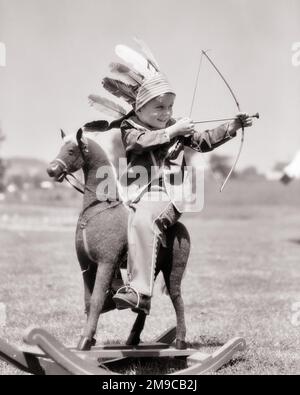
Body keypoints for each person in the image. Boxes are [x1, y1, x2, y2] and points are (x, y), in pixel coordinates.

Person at [90, 42, 253, 315]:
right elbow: (139, 144)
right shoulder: (131, 127)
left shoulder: (174, 127)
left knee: (144, 219)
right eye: (159, 107)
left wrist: (232, 126)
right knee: (107, 222)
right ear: (139, 109)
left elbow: (203, 141)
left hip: (167, 197)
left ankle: (140, 292)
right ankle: (114, 284)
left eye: (170, 107)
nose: (166, 113)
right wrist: (174, 130)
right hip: (135, 194)